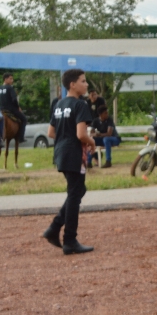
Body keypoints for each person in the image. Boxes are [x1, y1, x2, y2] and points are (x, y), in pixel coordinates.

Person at [43, 69, 95, 255]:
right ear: (72, 85)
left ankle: (54, 228)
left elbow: (50, 132)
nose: (86, 84)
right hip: (74, 153)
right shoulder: (80, 104)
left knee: (78, 190)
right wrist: (92, 142)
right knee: (75, 194)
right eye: (83, 81)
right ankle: (69, 240)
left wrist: (65, 138)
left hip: (60, 152)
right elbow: (81, 134)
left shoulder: (59, 104)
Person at [0, 73, 27, 144]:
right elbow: (14, 99)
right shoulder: (10, 88)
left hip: (1, 109)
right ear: (5, 79)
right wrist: (17, 107)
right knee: (24, 119)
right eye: (10, 79)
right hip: (10, 109)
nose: (12, 80)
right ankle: (21, 137)